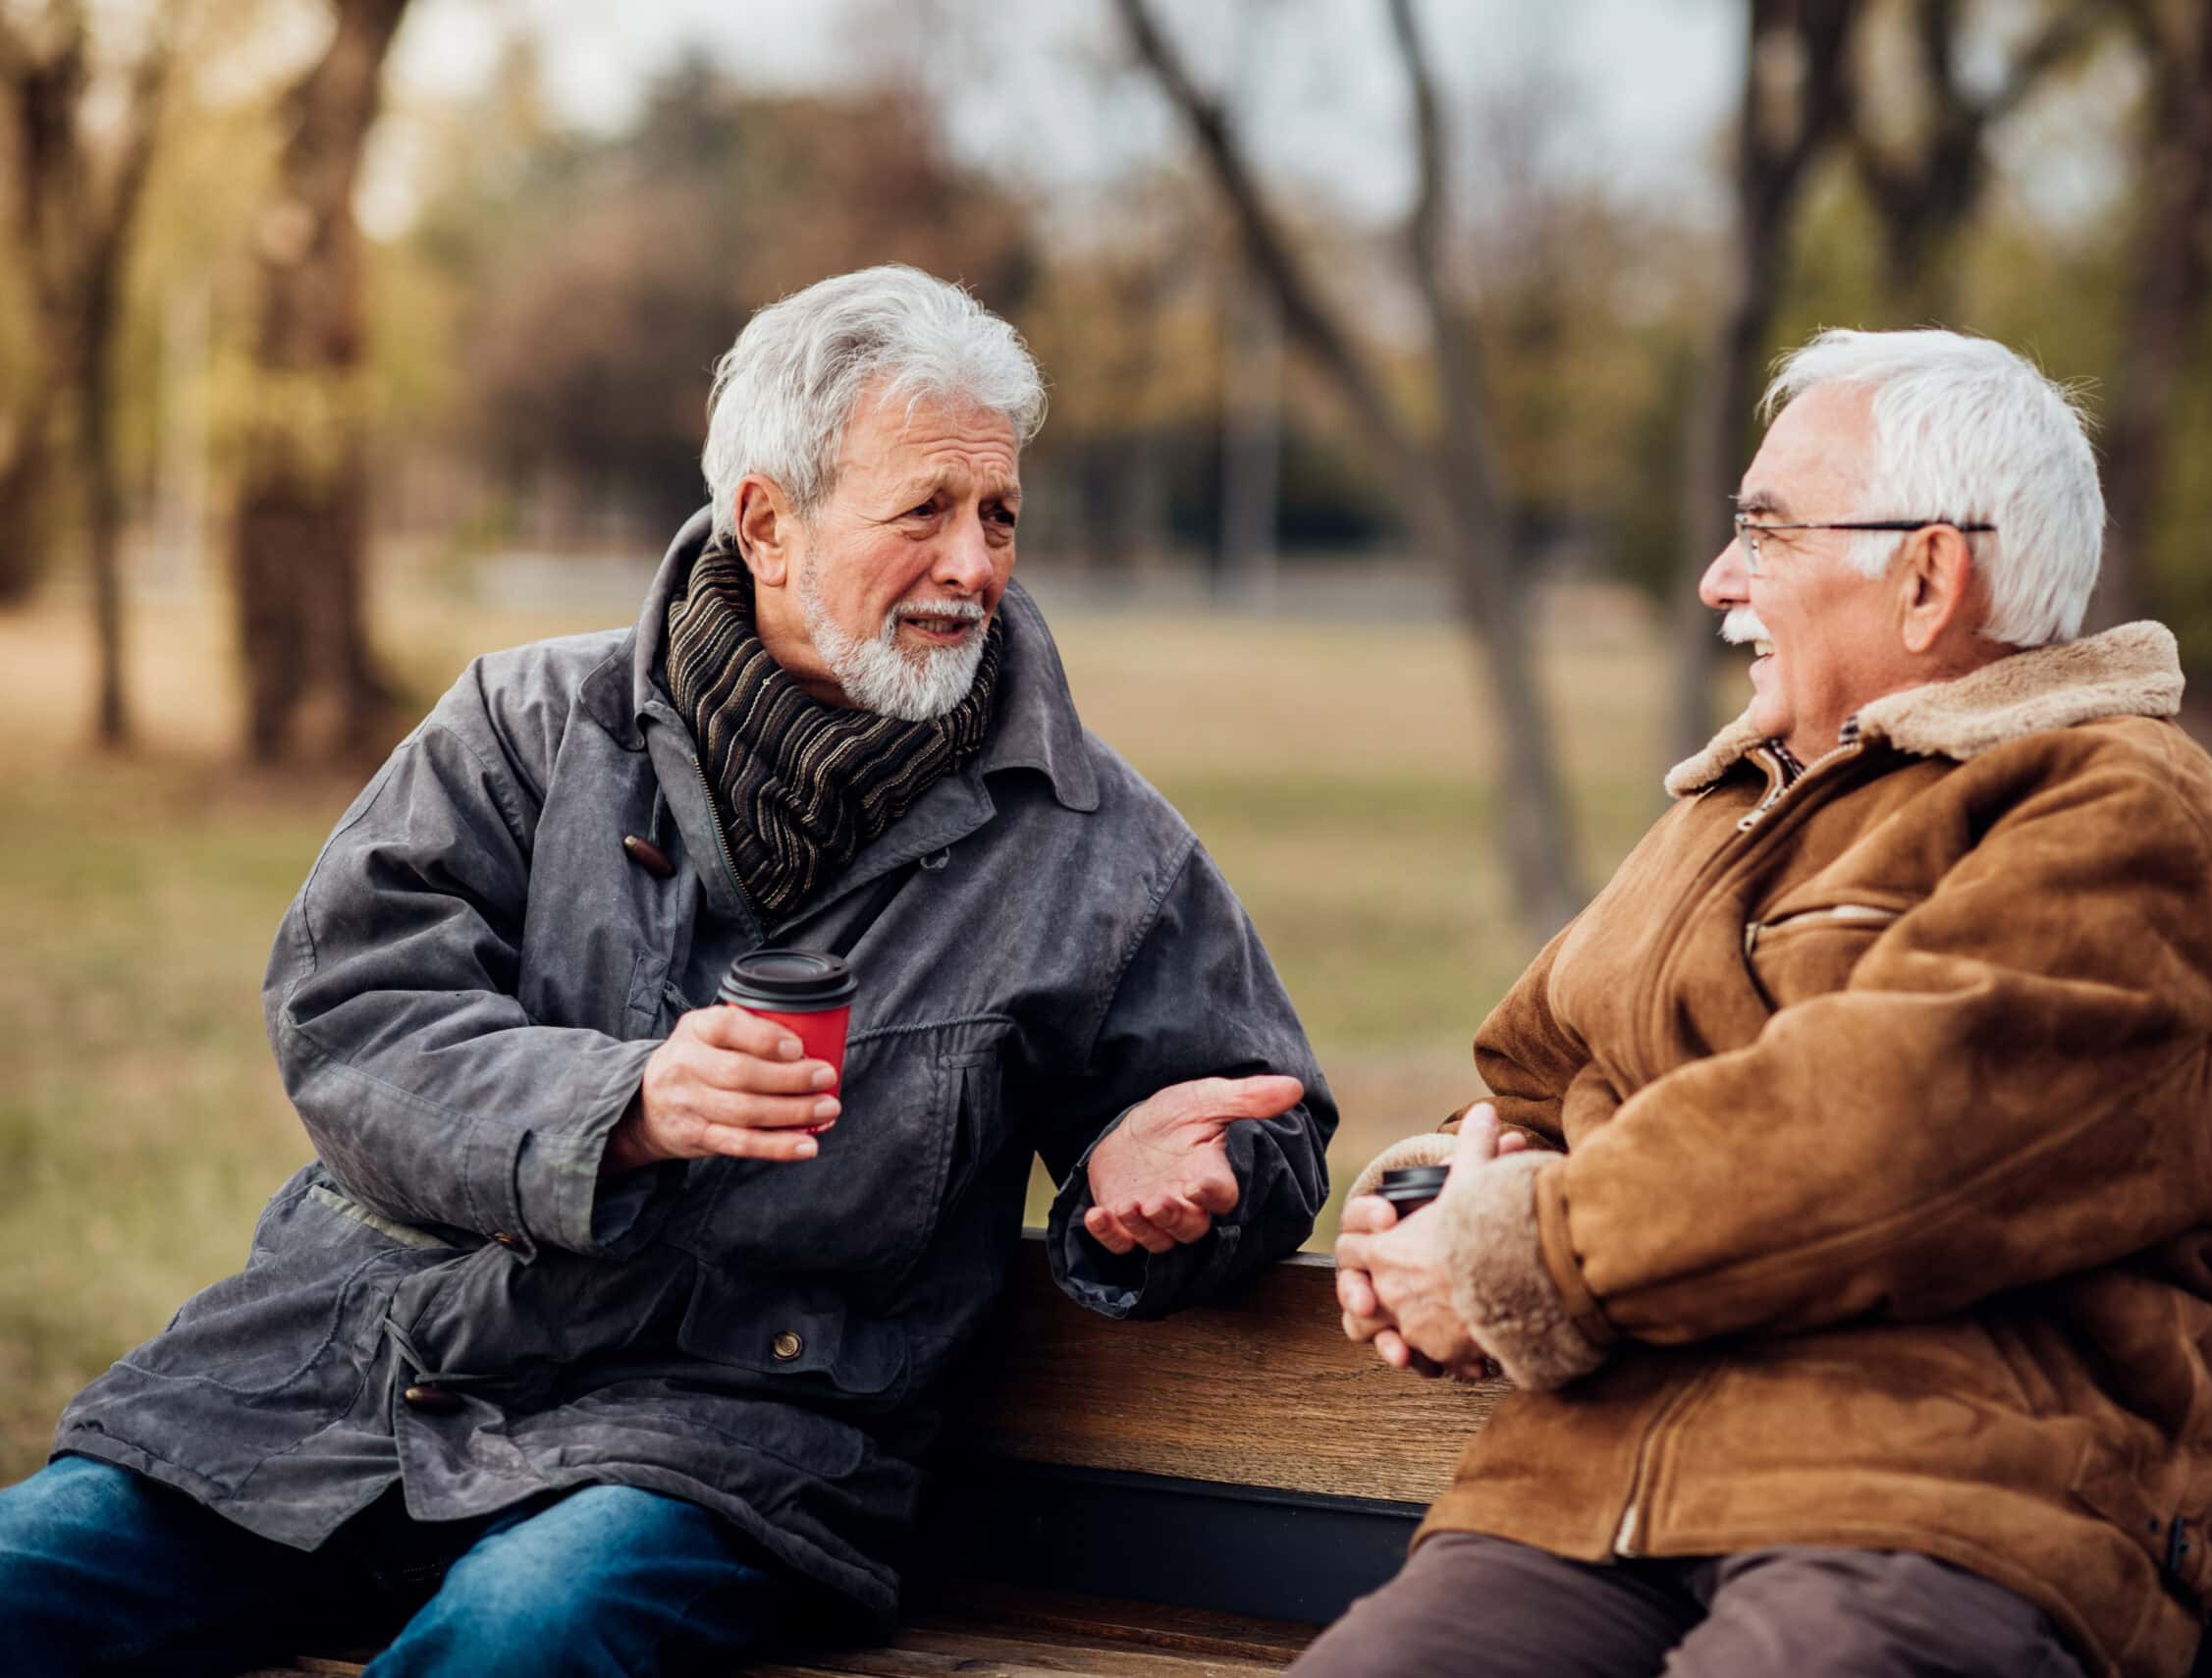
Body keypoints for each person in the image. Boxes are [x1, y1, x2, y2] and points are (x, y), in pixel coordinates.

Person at [0, 264, 1334, 1677]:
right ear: (767, 519)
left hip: (720, 1441)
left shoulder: (1094, 843)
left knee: (519, 1638)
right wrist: (623, 1103)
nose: (978, 563)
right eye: (927, 510)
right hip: (337, 1383)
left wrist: (1192, 1178)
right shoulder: (521, 726)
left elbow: (1261, 1120)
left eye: (999, 512)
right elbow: (349, 1013)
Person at [1316, 328, 2212, 1678]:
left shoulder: (2118, 805)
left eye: (1765, 533)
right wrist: (1432, 1201)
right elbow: (1528, 1076)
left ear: (1929, 575)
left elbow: (1882, 1129)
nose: (1721, 577)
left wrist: (1516, 1252)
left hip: (1929, 1507)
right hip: (1587, 1496)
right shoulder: (1731, 804)